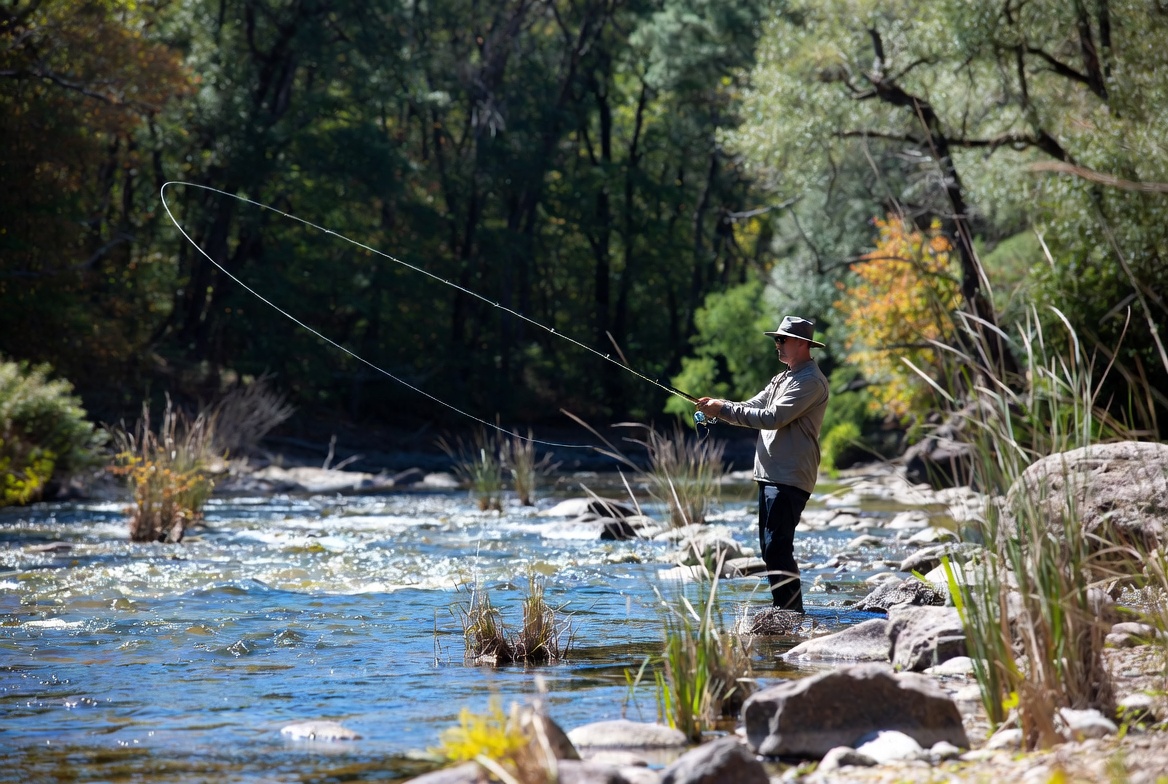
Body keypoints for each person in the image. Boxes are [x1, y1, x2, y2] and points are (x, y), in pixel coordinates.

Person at [695, 315, 829, 613]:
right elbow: (754, 406)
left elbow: (772, 418)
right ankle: (785, 609)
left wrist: (724, 409)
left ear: (802, 343)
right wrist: (718, 406)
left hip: (790, 475)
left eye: (782, 339)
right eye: (776, 339)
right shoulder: (784, 376)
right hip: (770, 474)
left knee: (777, 547)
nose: (777, 345)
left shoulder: (810, 382)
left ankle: (790, 612)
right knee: (770, 548)